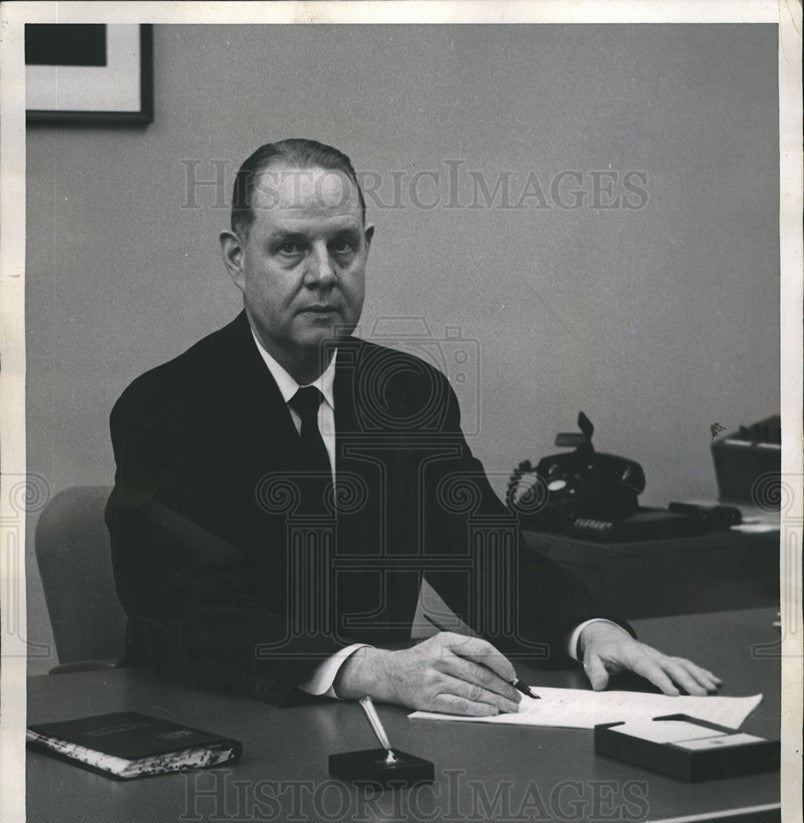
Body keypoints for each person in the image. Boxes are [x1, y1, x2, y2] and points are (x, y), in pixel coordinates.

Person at [106, 138, 721, 712]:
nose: (324, 273)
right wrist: (364, 668)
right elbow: (180, 613)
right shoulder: (164, 407)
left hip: (382, 740)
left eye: (343, 246)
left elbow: (485, 556)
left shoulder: (405, 393)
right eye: (290, 247)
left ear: (366, 247)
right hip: (221, 729)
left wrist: (591, 631)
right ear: (238, 259)